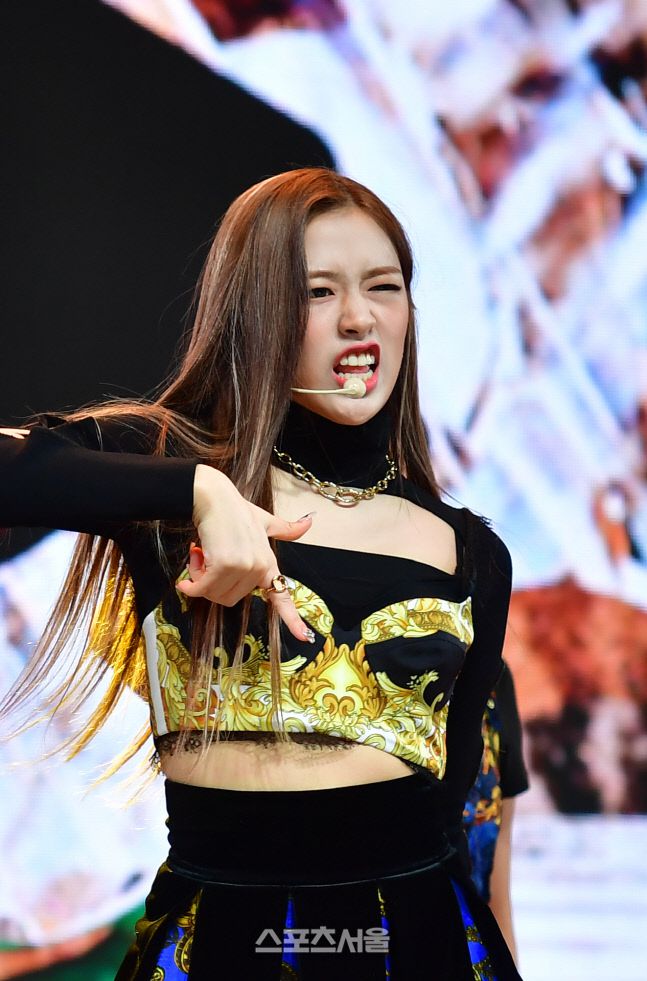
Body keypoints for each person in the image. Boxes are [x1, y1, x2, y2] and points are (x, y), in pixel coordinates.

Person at [0, 168, 520, 980]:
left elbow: (459, 827)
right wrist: (200, 490)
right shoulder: (165, 472)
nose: (359, 317)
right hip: (217, 945)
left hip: (416, 943)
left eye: (384, 286)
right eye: (318, 291)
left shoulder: (469, 551)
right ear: (257, 310)